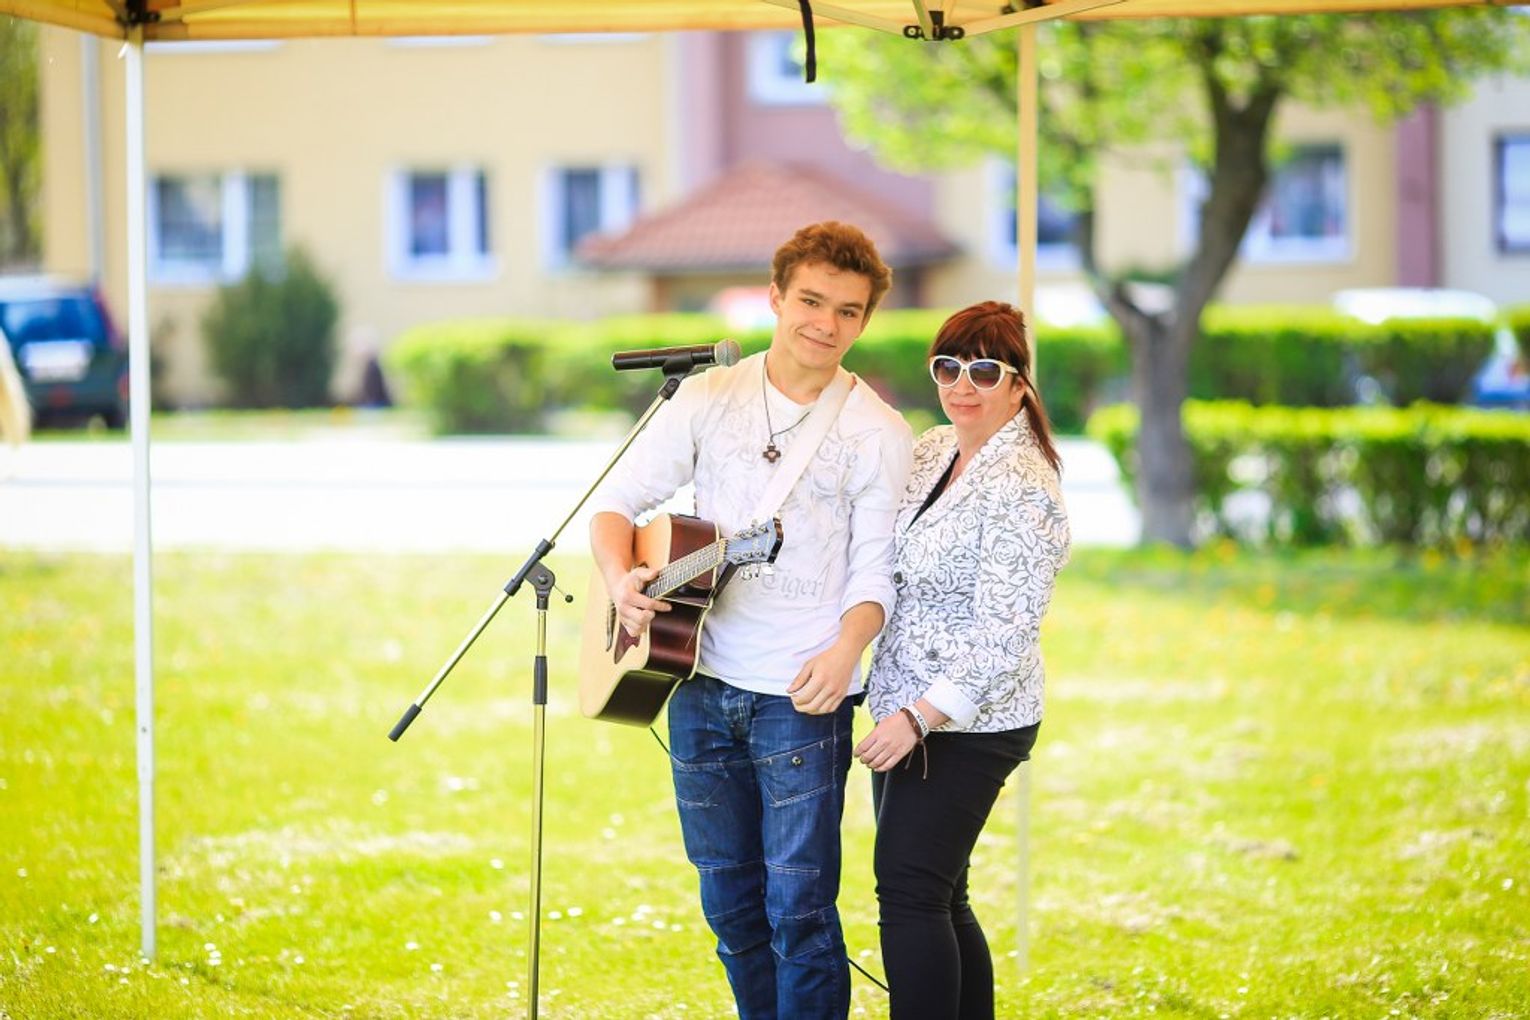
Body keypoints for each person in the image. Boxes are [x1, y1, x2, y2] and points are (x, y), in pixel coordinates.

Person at [588, 221, 913, 1019]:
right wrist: (621, 580)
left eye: (847, 310)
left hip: (800, 694)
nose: (825, 324)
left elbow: (876, 570)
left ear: (864, 320)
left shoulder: (877, 432)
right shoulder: (708, 396)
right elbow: (615, 502)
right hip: (696, 677)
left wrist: (846, 650)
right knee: (730, 905)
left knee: (799, 914)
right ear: (775, 297)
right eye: (811, 301)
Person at [854, 300, 1070, 1019]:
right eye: (947, 367)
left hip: (968, 723)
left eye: (984, 371)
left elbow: (1006, 634)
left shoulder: (1024, 487)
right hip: (906, 707)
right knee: (941, 893)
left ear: (1018, 385)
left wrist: (918, 718)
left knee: (910, 892)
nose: (961, 385)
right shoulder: (933, 448)